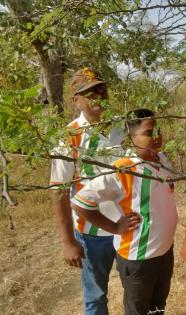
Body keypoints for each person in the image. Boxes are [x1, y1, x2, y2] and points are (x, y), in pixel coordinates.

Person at [71, 109, 178, 315]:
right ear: (130, 138)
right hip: (138, 259)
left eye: (158, 130)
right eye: (148, 133)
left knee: (158, 307)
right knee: (138, 310)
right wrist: (114, 227)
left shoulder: (162, 159)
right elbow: (80, 203)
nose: (156, 137)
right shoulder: (123, 169)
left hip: (165, 253)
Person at [50, 67, 123, 315]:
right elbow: (59, 191)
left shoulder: (122, 129)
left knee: (136, 292)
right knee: (96, 297)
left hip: (128, 226)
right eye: (89, 93)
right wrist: (68, 241)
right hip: (93, 234)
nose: (98, 97)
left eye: (101, 90)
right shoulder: (69, 137)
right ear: (76, 100)